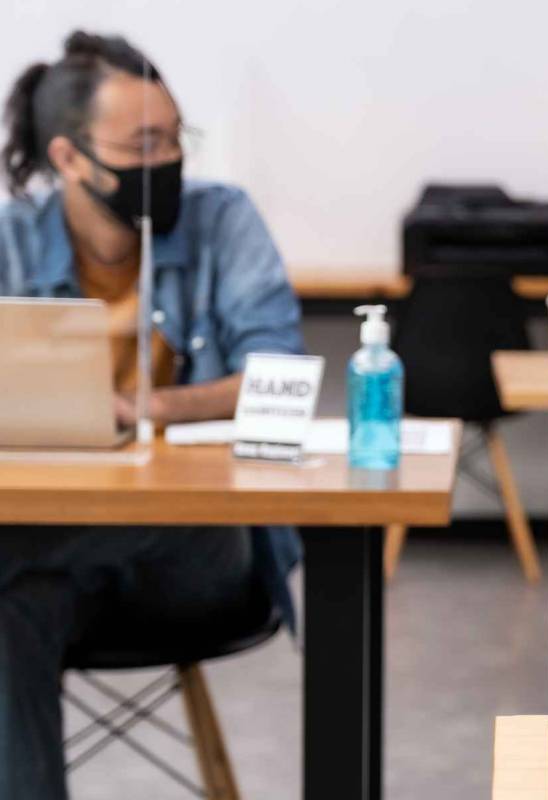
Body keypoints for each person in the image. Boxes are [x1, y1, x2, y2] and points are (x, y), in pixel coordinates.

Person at [0, 32, 303, 798]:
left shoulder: (222, 221)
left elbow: (282, 379)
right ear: (69, 158)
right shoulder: (11, 240)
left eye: (175, 140)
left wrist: (146, 408)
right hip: (46, 557)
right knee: (8, 610)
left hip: (197, 548)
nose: (168, 161)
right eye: (144, 144)